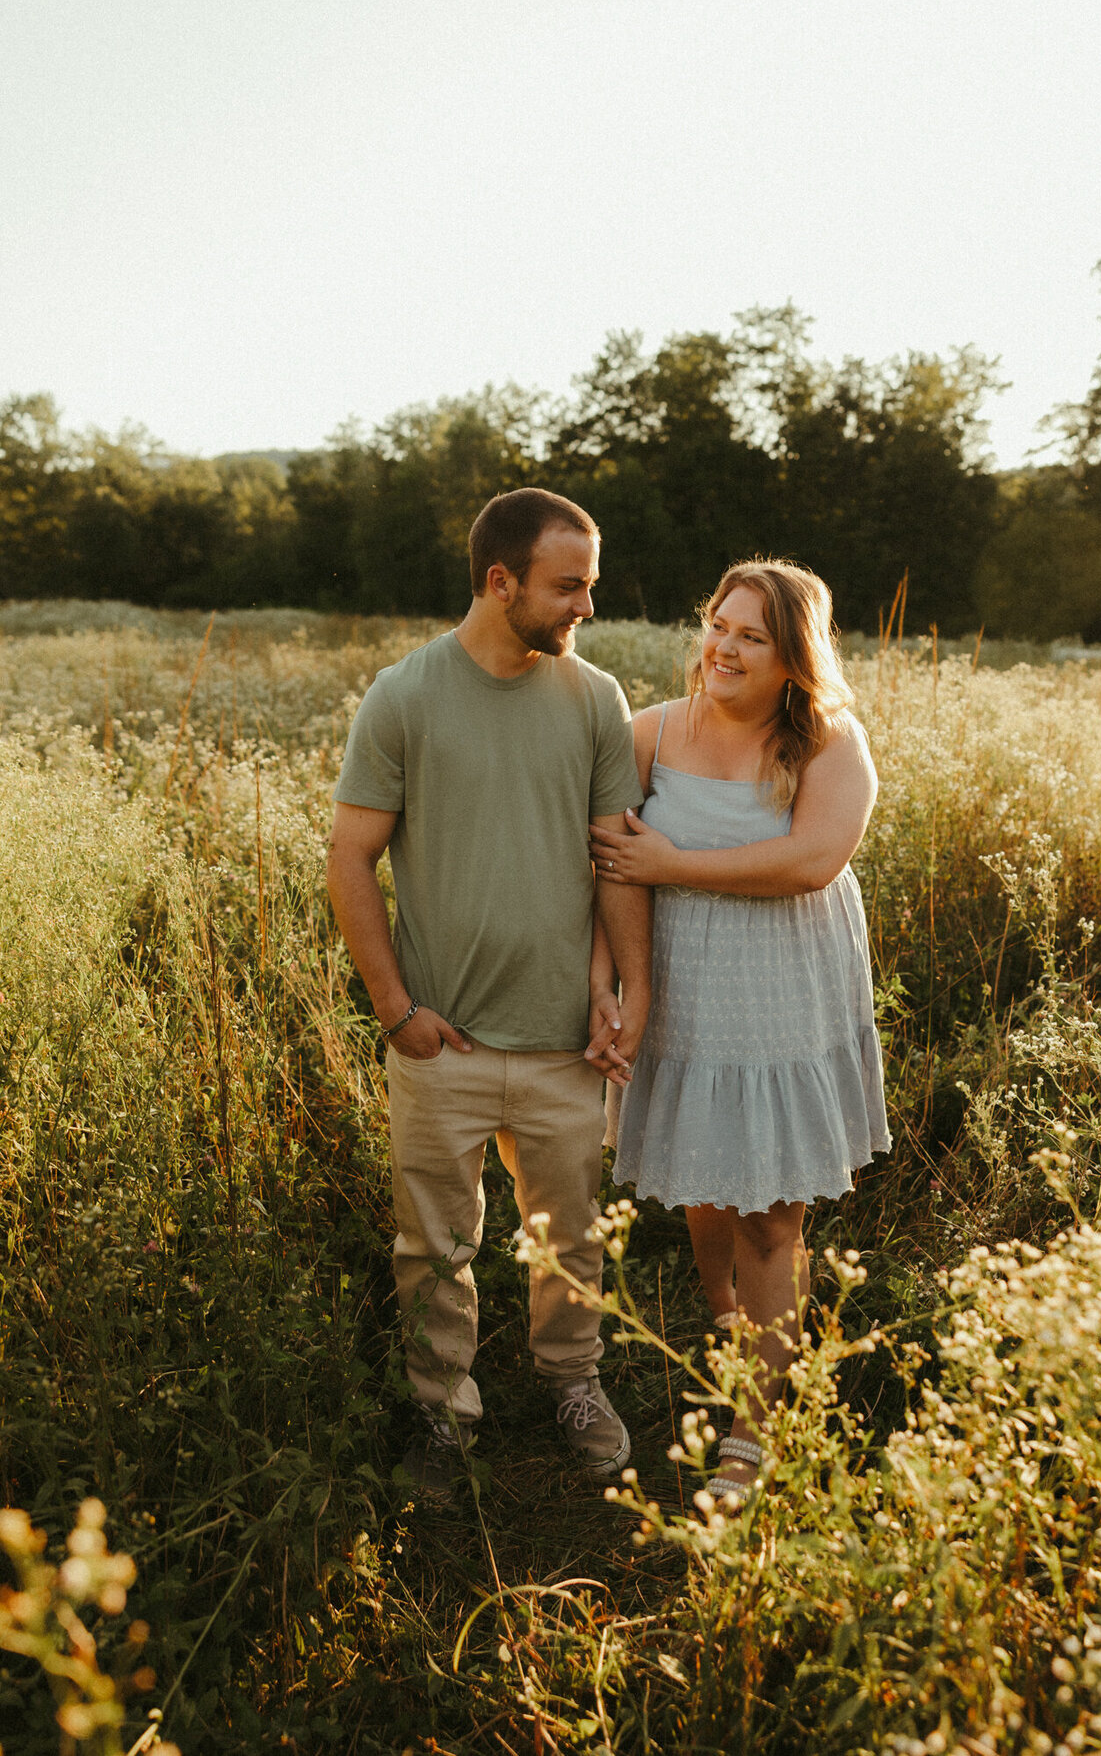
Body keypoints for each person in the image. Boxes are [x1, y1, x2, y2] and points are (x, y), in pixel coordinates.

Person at [327, 487, 651, 1497]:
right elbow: (349, 860)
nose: (583, 607)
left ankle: (573, 1382)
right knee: (432, 1243)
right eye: (568, 586)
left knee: (572, 1235)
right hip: (444, 1043)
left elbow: (616, 861)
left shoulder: (596, 698)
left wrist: (629, 990)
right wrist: (396, 1011)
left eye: (588, 585)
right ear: (500, 580)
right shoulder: (406, 695)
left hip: (564, 1041)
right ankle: (441, 1405)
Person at [590, 558, 889, 1506]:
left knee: (769, 1206)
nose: (722, 646)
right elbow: (601, 864)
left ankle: (753, 1432)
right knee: (702, 1172)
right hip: (681, 985)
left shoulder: (828, 741)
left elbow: (811, 860)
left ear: (793, 654)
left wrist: (677, 859)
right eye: (719, 624)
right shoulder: (650, 731)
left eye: (751, 634)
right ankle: (722, 1306)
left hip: (783, 989)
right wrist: (607, 980)